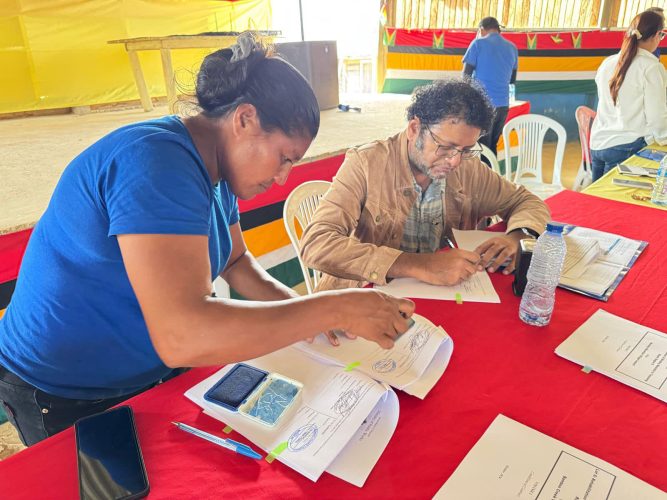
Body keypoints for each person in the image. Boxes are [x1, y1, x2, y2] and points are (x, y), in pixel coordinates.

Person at [0, 33, 414, 446]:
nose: (281, 178)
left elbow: (235, 262)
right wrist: (329, 308)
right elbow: (183, 335)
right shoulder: (157, 163)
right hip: (68, 386)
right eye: (284, 157)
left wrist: (302, 309)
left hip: (149, 366)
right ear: (245, 119)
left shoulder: (218, 170)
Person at [300, 78, 550, 292]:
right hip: (367, 298)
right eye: (445, 147)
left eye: (465, 150)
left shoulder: (468, 168)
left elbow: (525, 201)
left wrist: (520, 236)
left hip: (441, 296)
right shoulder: (366, 164)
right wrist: (418, 265)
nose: (454, 161)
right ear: (414, 128)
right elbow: (316, 244)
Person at [590, 10, 667, 181]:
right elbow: (657, 117)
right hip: (626, 146)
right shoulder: (651, 67)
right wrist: (663, 138)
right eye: (662, 35)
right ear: (657, 34)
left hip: (598, 144)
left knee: (598, 203)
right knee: (618, 204)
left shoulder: (608, 62)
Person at [462, 16, 518, 155]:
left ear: (481, 29)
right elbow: (512, 80)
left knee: (482, 148)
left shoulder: (477, 44)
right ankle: (492, 175)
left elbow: (465, 76)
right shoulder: (512, 47)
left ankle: (483, 177)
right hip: (503, 106)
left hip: (483, 105)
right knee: (492, 147)